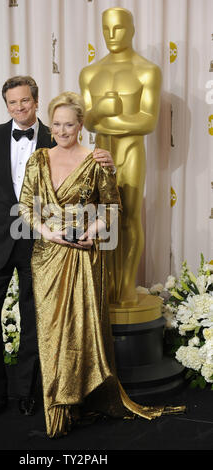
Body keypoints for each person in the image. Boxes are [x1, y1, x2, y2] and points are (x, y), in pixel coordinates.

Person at [19, 91, 184, 438]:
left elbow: (113, 207)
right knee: (52, 335)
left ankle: (79, 401)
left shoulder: (98, 161)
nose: (63, 131)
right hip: (47, 258)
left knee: (79, 331)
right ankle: (57, 406)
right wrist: (48, 233)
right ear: (52, 125)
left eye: (70, 124)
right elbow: (25, 206)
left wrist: (90, 231)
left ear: (81, 125)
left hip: (82, 255)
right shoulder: (38, 160)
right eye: (58, 124)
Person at [0, 75, 115, 419]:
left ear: (36, 101)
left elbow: (87, 168)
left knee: (33, 320)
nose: (19, 108)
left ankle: (27, 392)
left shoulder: (56, 133)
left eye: (25, 101)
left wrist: (108, 162)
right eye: (12, 102)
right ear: (6, 105)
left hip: (42, 242)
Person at [79, 7, 162, 307]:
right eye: (106, 29)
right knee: (102, 218)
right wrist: (100, 112)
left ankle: (127, 286)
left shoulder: (147, 70)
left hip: (130, 152)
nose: (112, 35)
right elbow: (87, 121)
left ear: (132, 29)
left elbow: (147, 122)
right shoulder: (90, 72)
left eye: (119, 28)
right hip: (101, 153)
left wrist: (104, 118)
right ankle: (106, 284)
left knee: (129, 216)